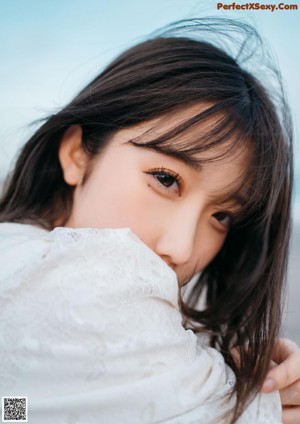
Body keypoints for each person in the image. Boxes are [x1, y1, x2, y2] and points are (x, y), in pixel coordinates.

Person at [0, 18, 299, 423]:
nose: (182, 248)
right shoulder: (51, 277)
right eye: (165, 179)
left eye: (222, 215)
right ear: (77, 153)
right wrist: (264, 400)